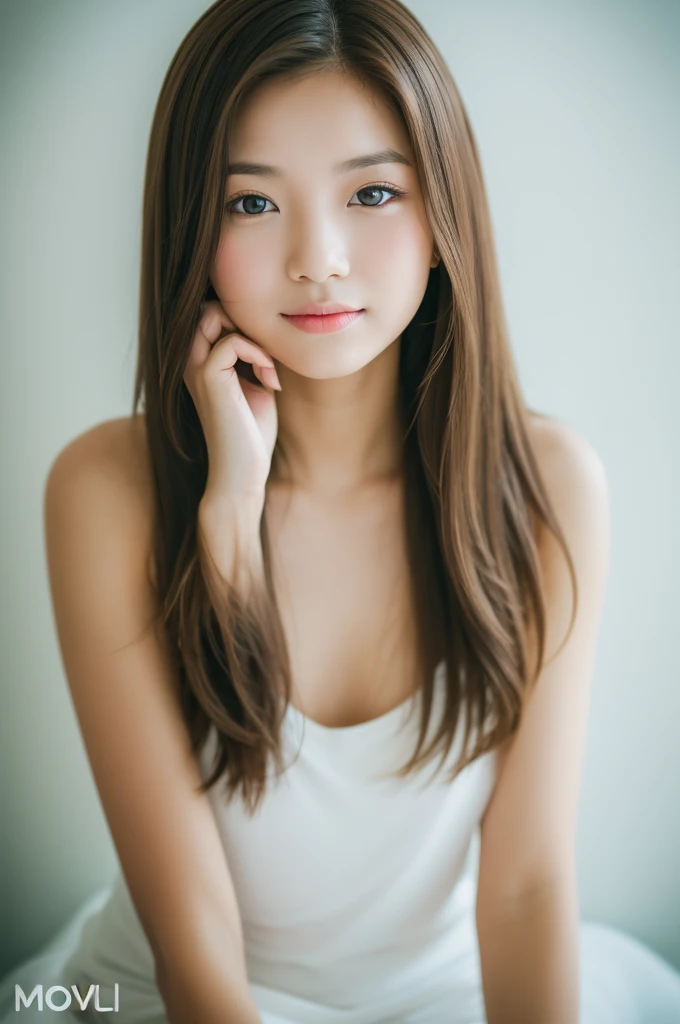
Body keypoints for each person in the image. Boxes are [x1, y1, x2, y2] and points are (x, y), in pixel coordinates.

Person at [2, 1, 680, 1021]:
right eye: (250, 203)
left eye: (370, 191)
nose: (317, 256)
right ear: (191, 220)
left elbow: (526, 884)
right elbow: (195, 950)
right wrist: (227, 510)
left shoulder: (545, 489)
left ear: (444, 216)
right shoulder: (108, 492)